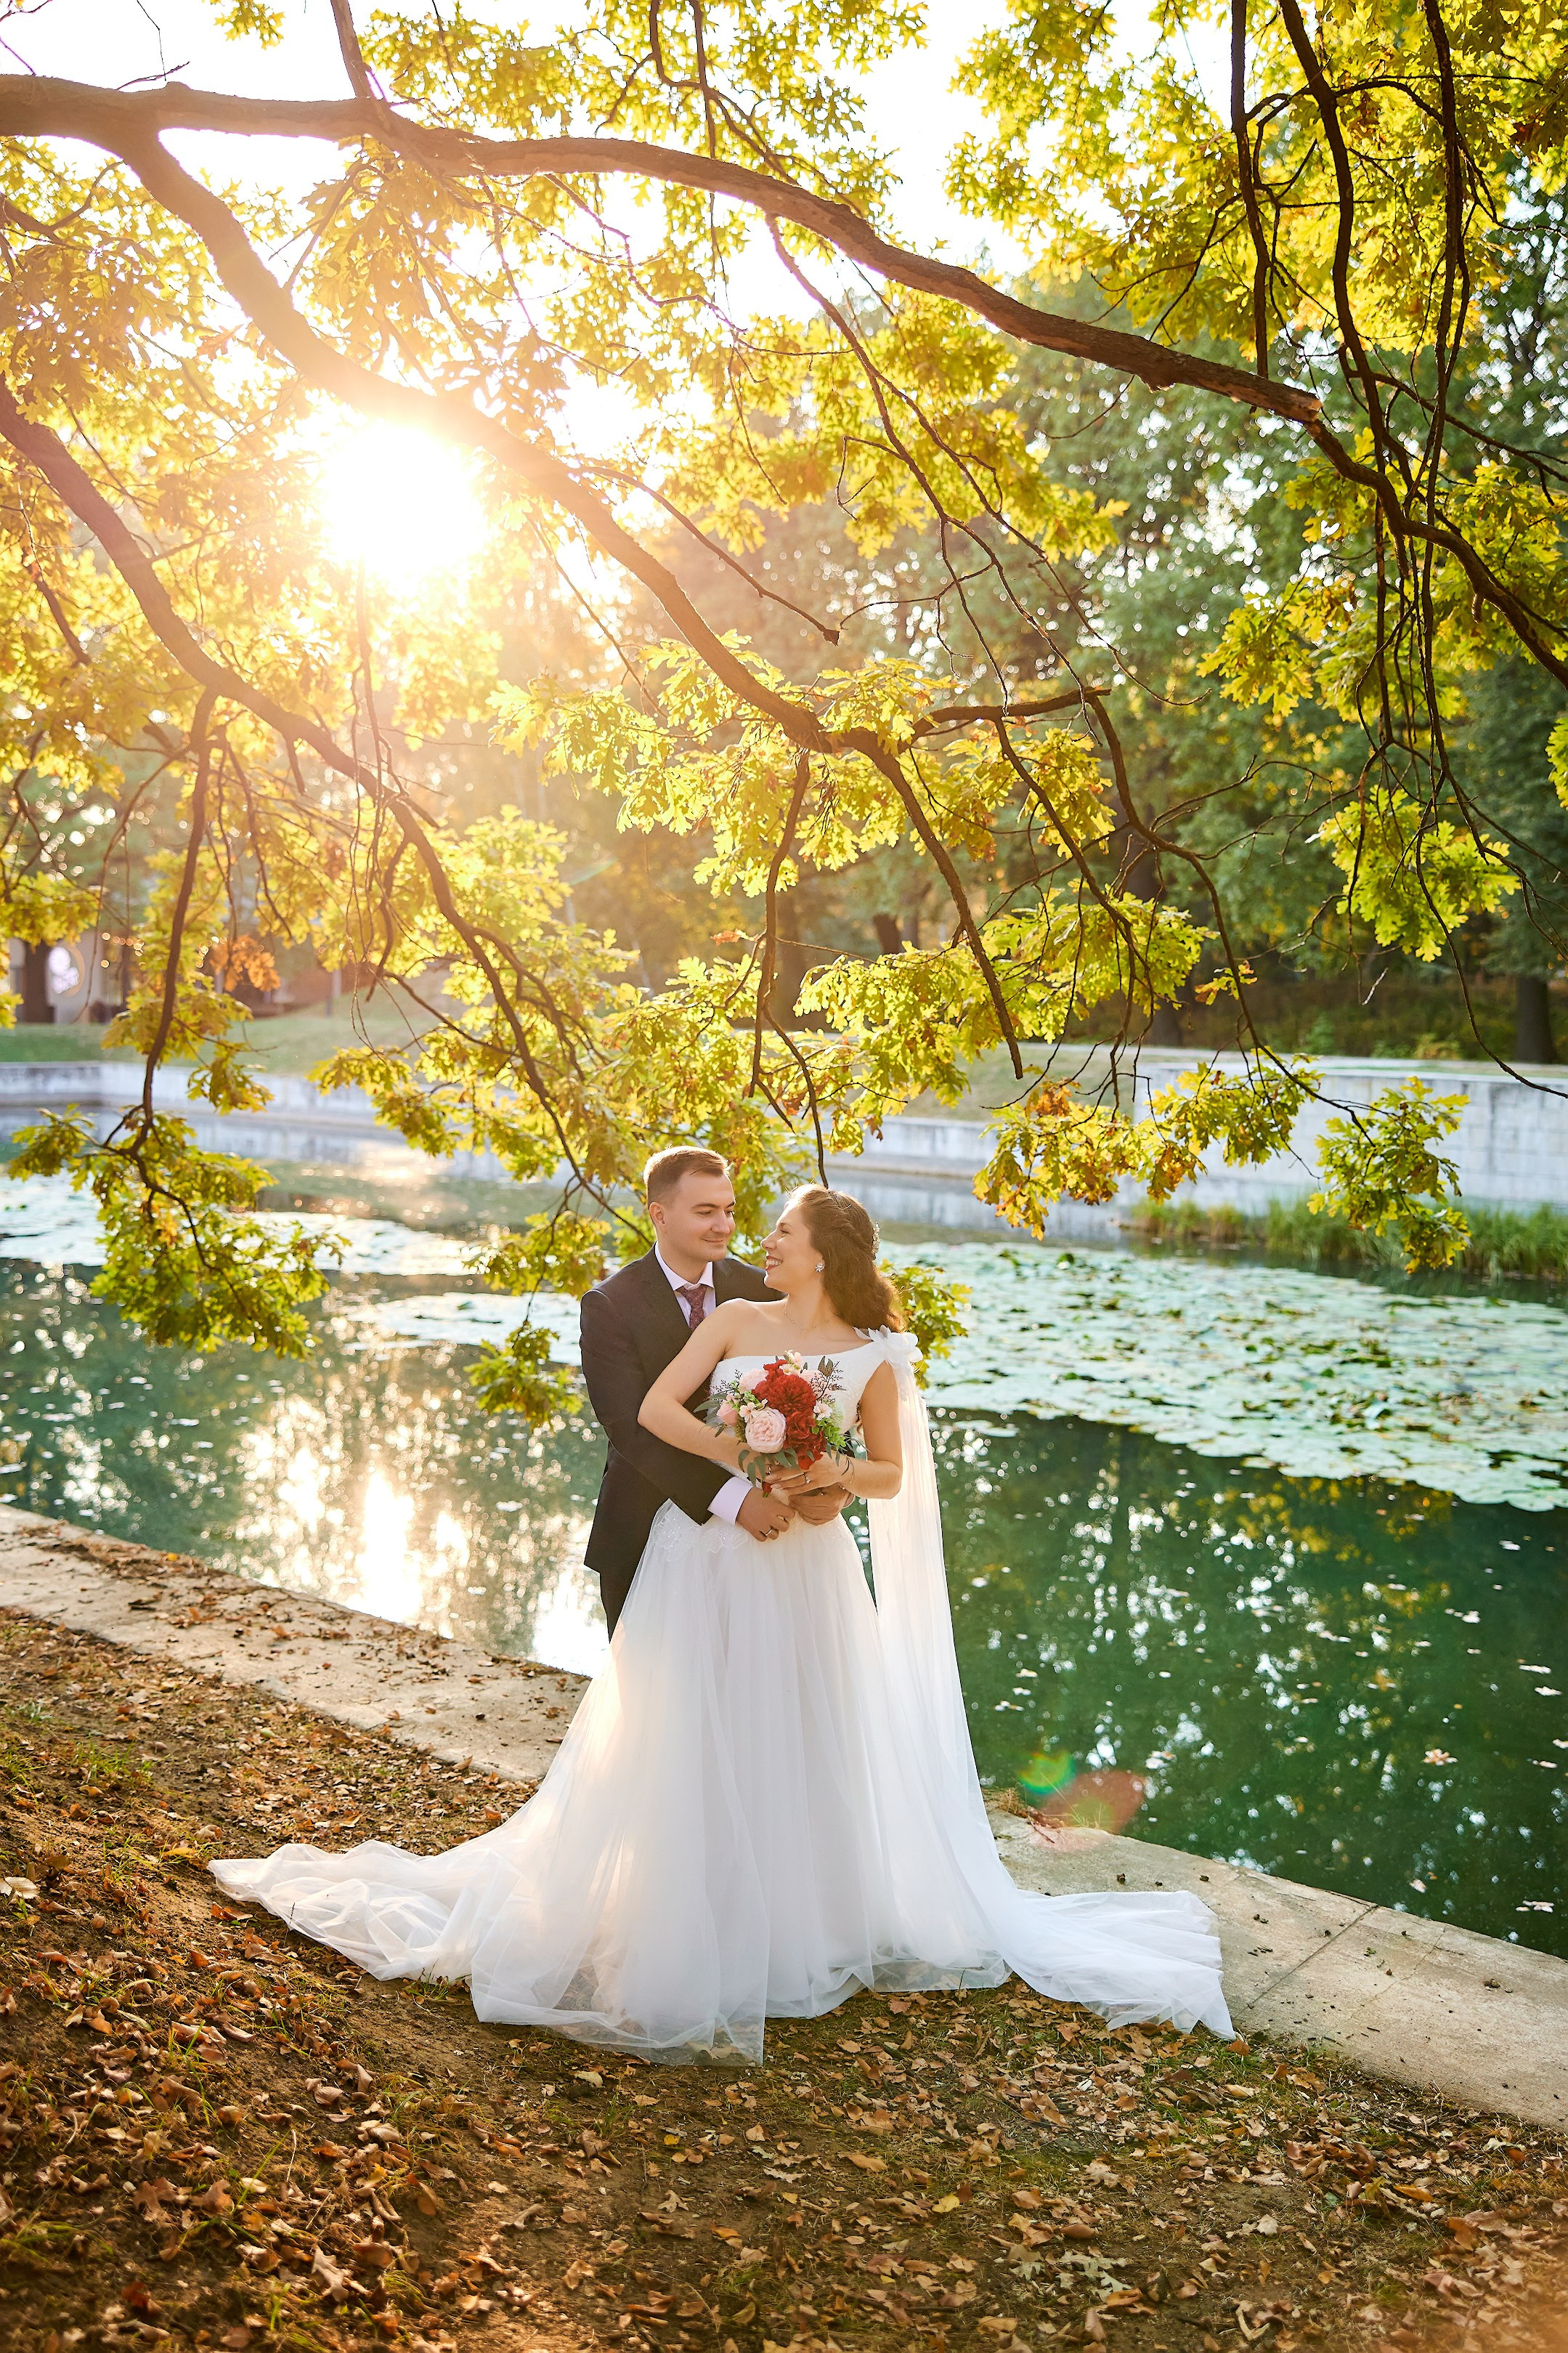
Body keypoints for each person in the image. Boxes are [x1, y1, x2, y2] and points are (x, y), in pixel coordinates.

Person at [212, 1179, 1231, 2062]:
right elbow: (655, 1409)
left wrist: (822, 1467)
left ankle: (794, 1918)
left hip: (809, 1569)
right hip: (704, 1557)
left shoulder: (875, 1351)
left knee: (795, 1729)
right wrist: (746, 1456)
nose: (763, 1242)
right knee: (686, 1729)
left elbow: (889, 1471)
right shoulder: (737, 1319)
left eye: (780, 1231)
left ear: (823, 1252)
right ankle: (672, 1914)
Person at [578, 1147, 846, 1636]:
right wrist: (734, 1499)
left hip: (763, 1545)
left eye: (728, 1209)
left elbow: (821, 1388)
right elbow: (630, 1429)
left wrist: (836, 1484)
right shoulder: (609, 1305)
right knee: (656, 1700)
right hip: (644, 1525)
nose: (723, 1224)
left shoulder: (763, 1288)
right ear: (658, 1214)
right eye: (705, 1211)